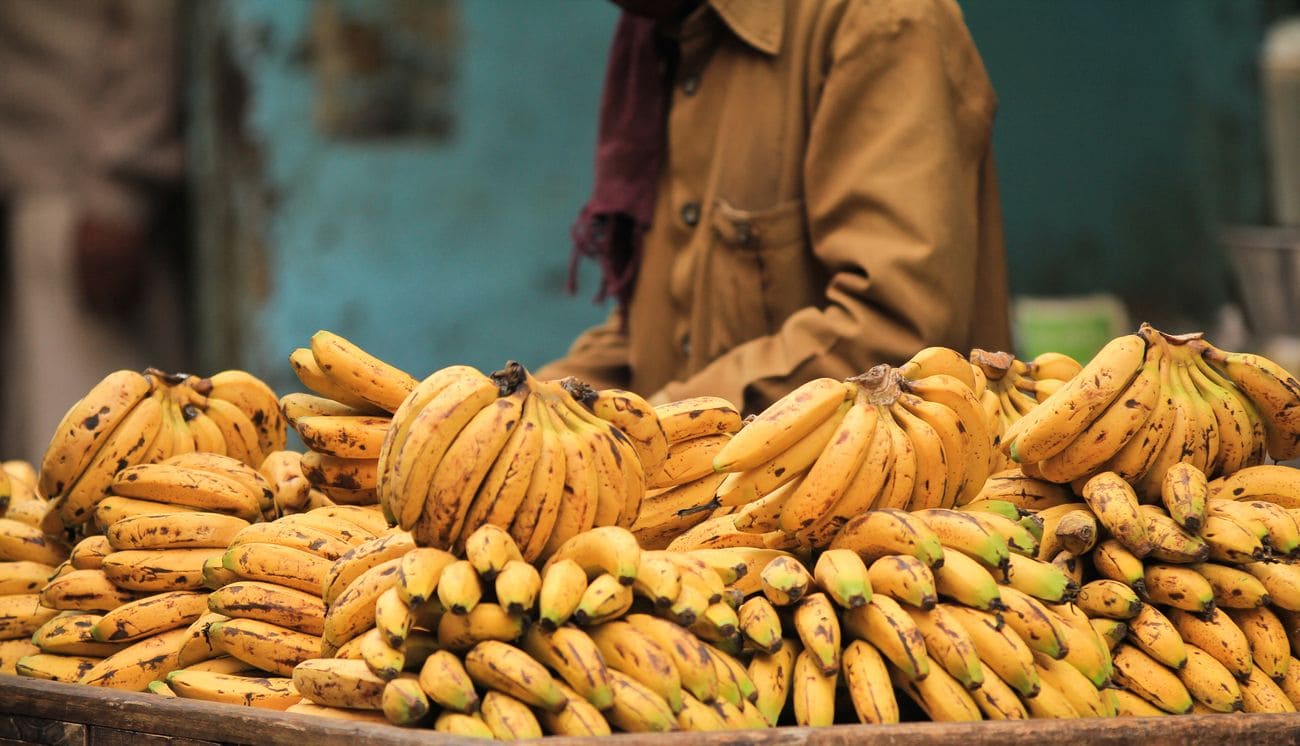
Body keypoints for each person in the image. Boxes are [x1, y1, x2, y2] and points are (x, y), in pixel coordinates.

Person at [539, 0, 1011, 414]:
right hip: (697, 500)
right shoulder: (667, 30)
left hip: (878, 499)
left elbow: (894, 334)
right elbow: (654, 338)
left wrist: (664, 420)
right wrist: (529, 409)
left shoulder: (879, 19)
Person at [0, 0, 186, 461]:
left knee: (92, 450)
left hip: (73, 190)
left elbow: (150, 20)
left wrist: (116, 194)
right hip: (24, 178)